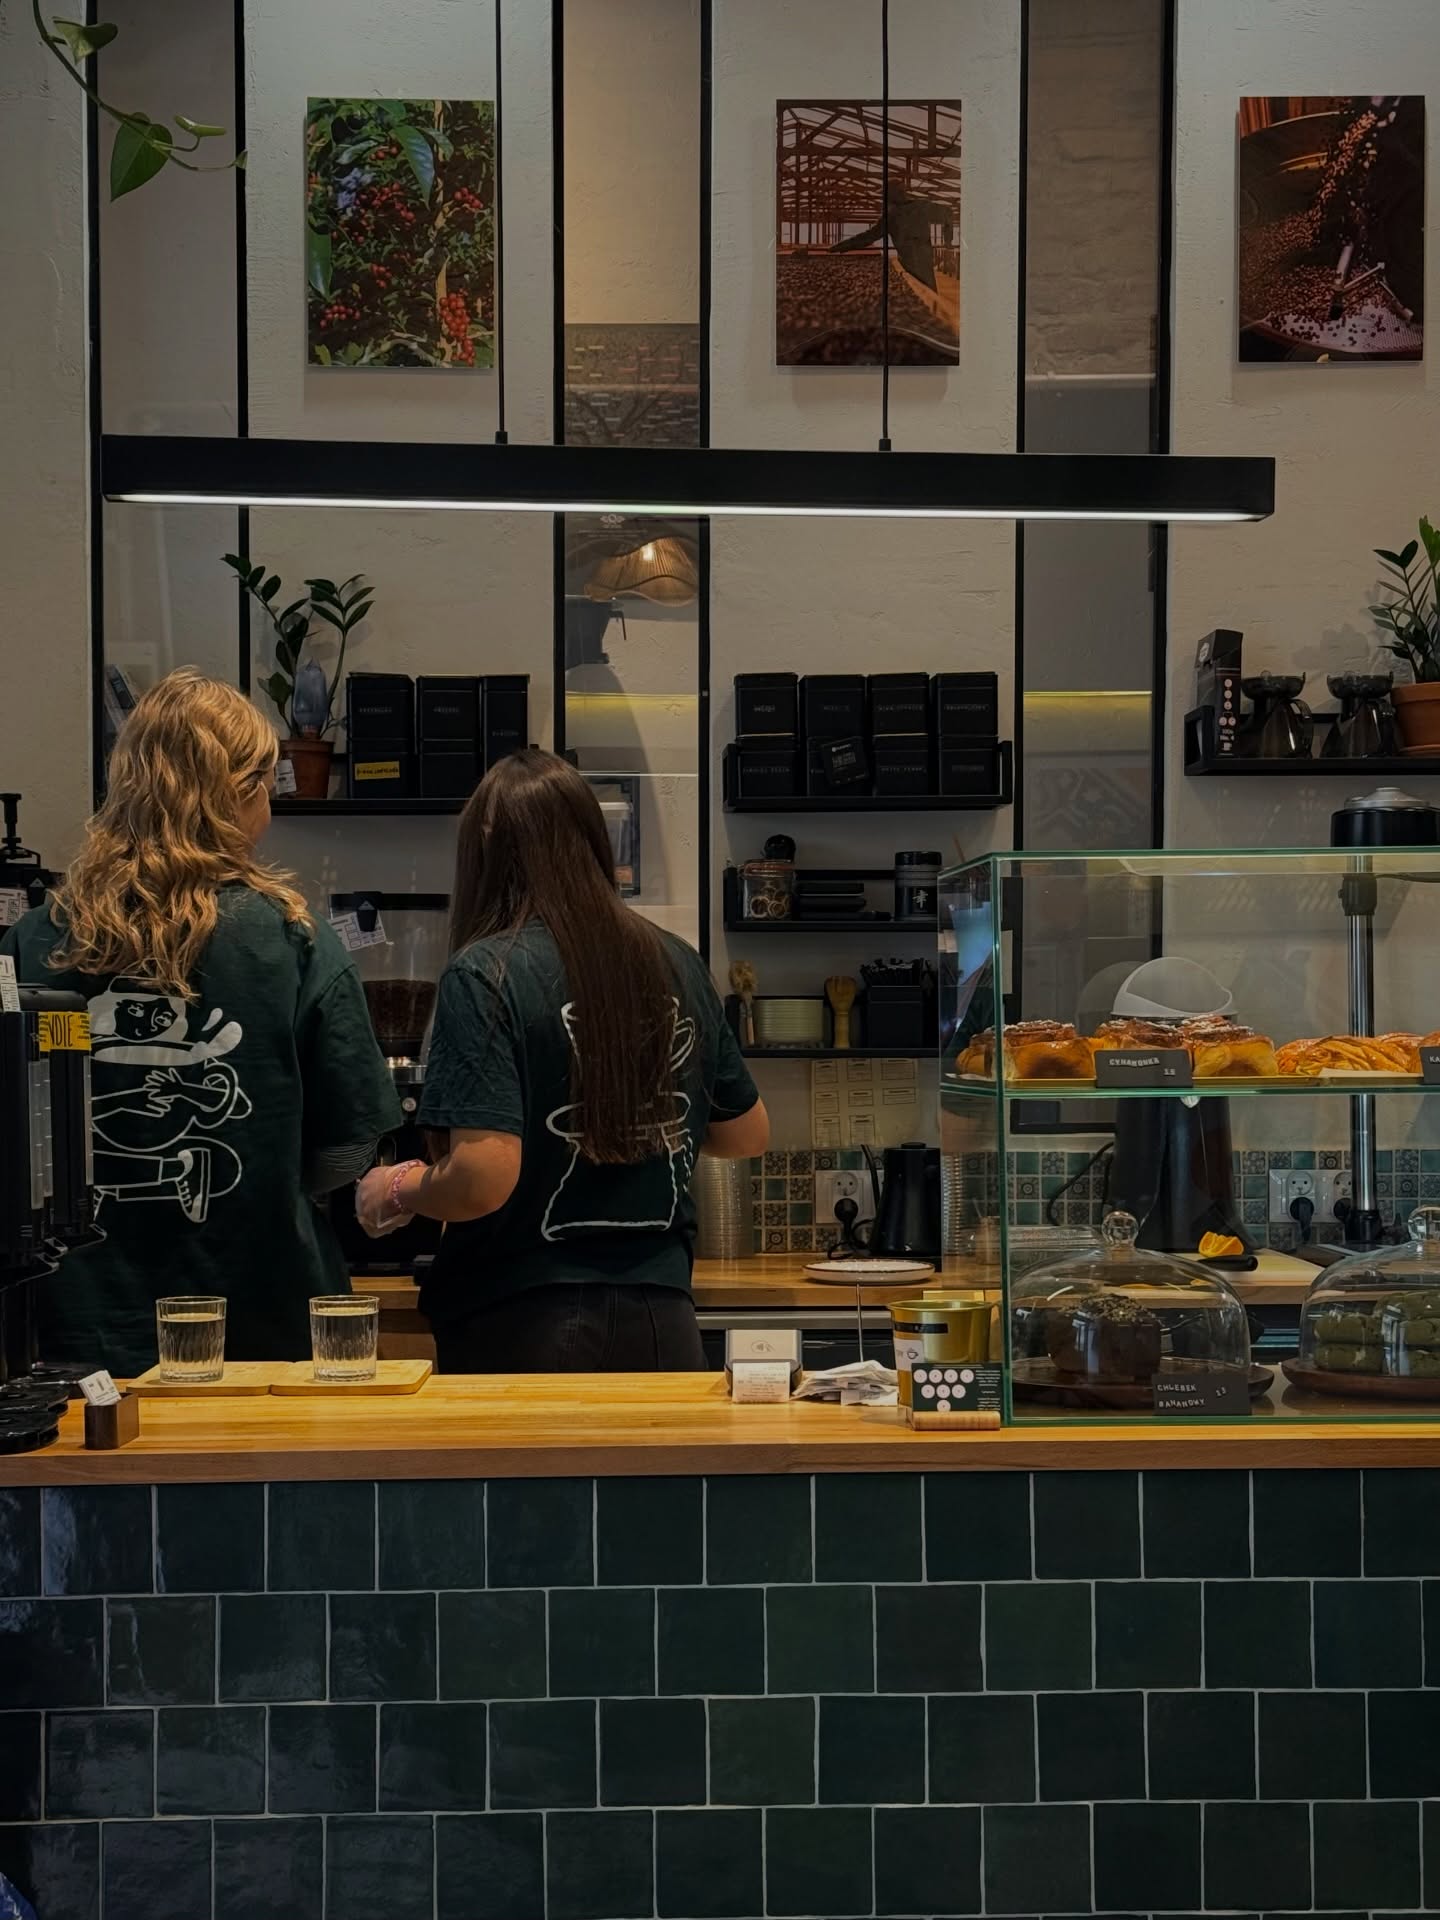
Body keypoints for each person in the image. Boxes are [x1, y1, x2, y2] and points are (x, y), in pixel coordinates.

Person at [2, 669, 401, 1375]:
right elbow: (348, 1147)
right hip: (260, 1330)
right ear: (240, 793)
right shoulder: (294, 939)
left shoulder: (31, 941)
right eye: (267, 788)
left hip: (70, 1338)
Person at [356, 749, 769, 1371]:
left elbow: (483, 1178)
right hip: (664, 1320)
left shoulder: (486, 972)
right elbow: (745, 1133)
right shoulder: (677, 960)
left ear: (487, 848)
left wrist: (397, 1186)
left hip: (526, 1324)